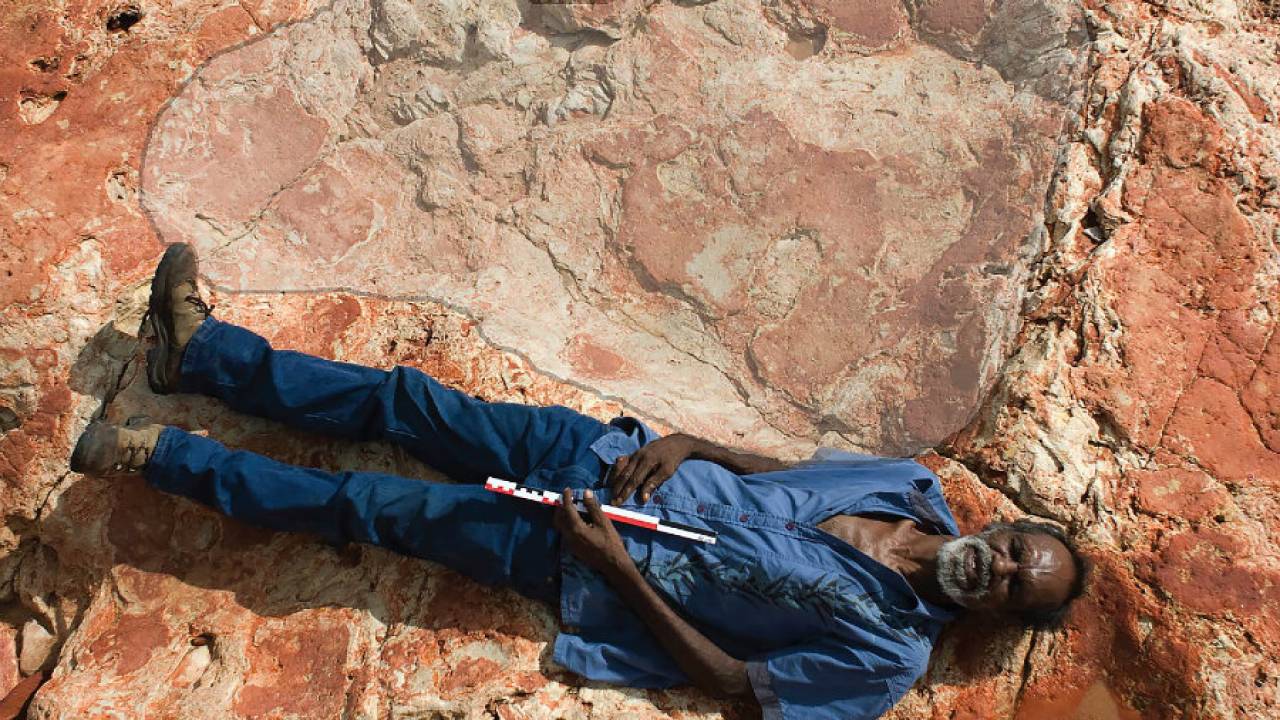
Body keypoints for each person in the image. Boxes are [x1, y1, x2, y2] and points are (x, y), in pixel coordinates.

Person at [70, 244, 1088, 719]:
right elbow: (788, 474)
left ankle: (157, 456)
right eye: (1013, 551)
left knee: (366, 505)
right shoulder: (908, 485)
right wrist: (688, 443)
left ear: (1000, 618)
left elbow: (737, 684)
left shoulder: (887, 661)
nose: (997, 568)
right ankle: (202, 356)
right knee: (403, 400)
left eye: (1013, 588)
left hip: (575, 554)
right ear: (1004, 528)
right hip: (599, 454)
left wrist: (617, 566)